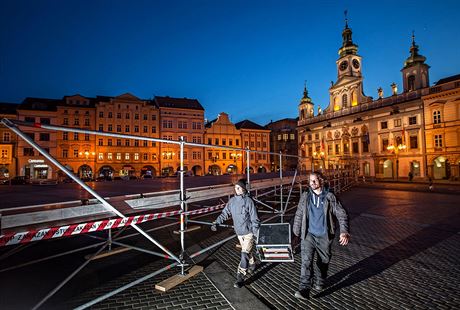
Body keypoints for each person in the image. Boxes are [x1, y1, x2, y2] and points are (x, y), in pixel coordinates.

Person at [293, 171, 350, 300]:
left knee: (323, 262)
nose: (312, 183)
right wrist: (295, 233)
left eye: (315, 180)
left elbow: (341, 214)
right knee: (306, 262)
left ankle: (320, 279)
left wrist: (344, 231)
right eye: (310, 181)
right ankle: (304, 289)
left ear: (321, 181)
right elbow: (299, 214)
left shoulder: (329, 196)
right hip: (308, 235)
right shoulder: (305, 196)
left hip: (324, 236)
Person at [211, 179, 260, 288]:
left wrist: (256, 233)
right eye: (235, 188)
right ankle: (252, 263)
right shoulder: (232, 201)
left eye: (238, 187)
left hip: (248, 232)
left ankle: (240, 277)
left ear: (244, 189)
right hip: (239, 232)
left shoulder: (249, 201)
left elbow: (255, 219)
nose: (236, 189)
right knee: (246, 252)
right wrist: (217, 222)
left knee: (244, 254)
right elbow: (225, 213)